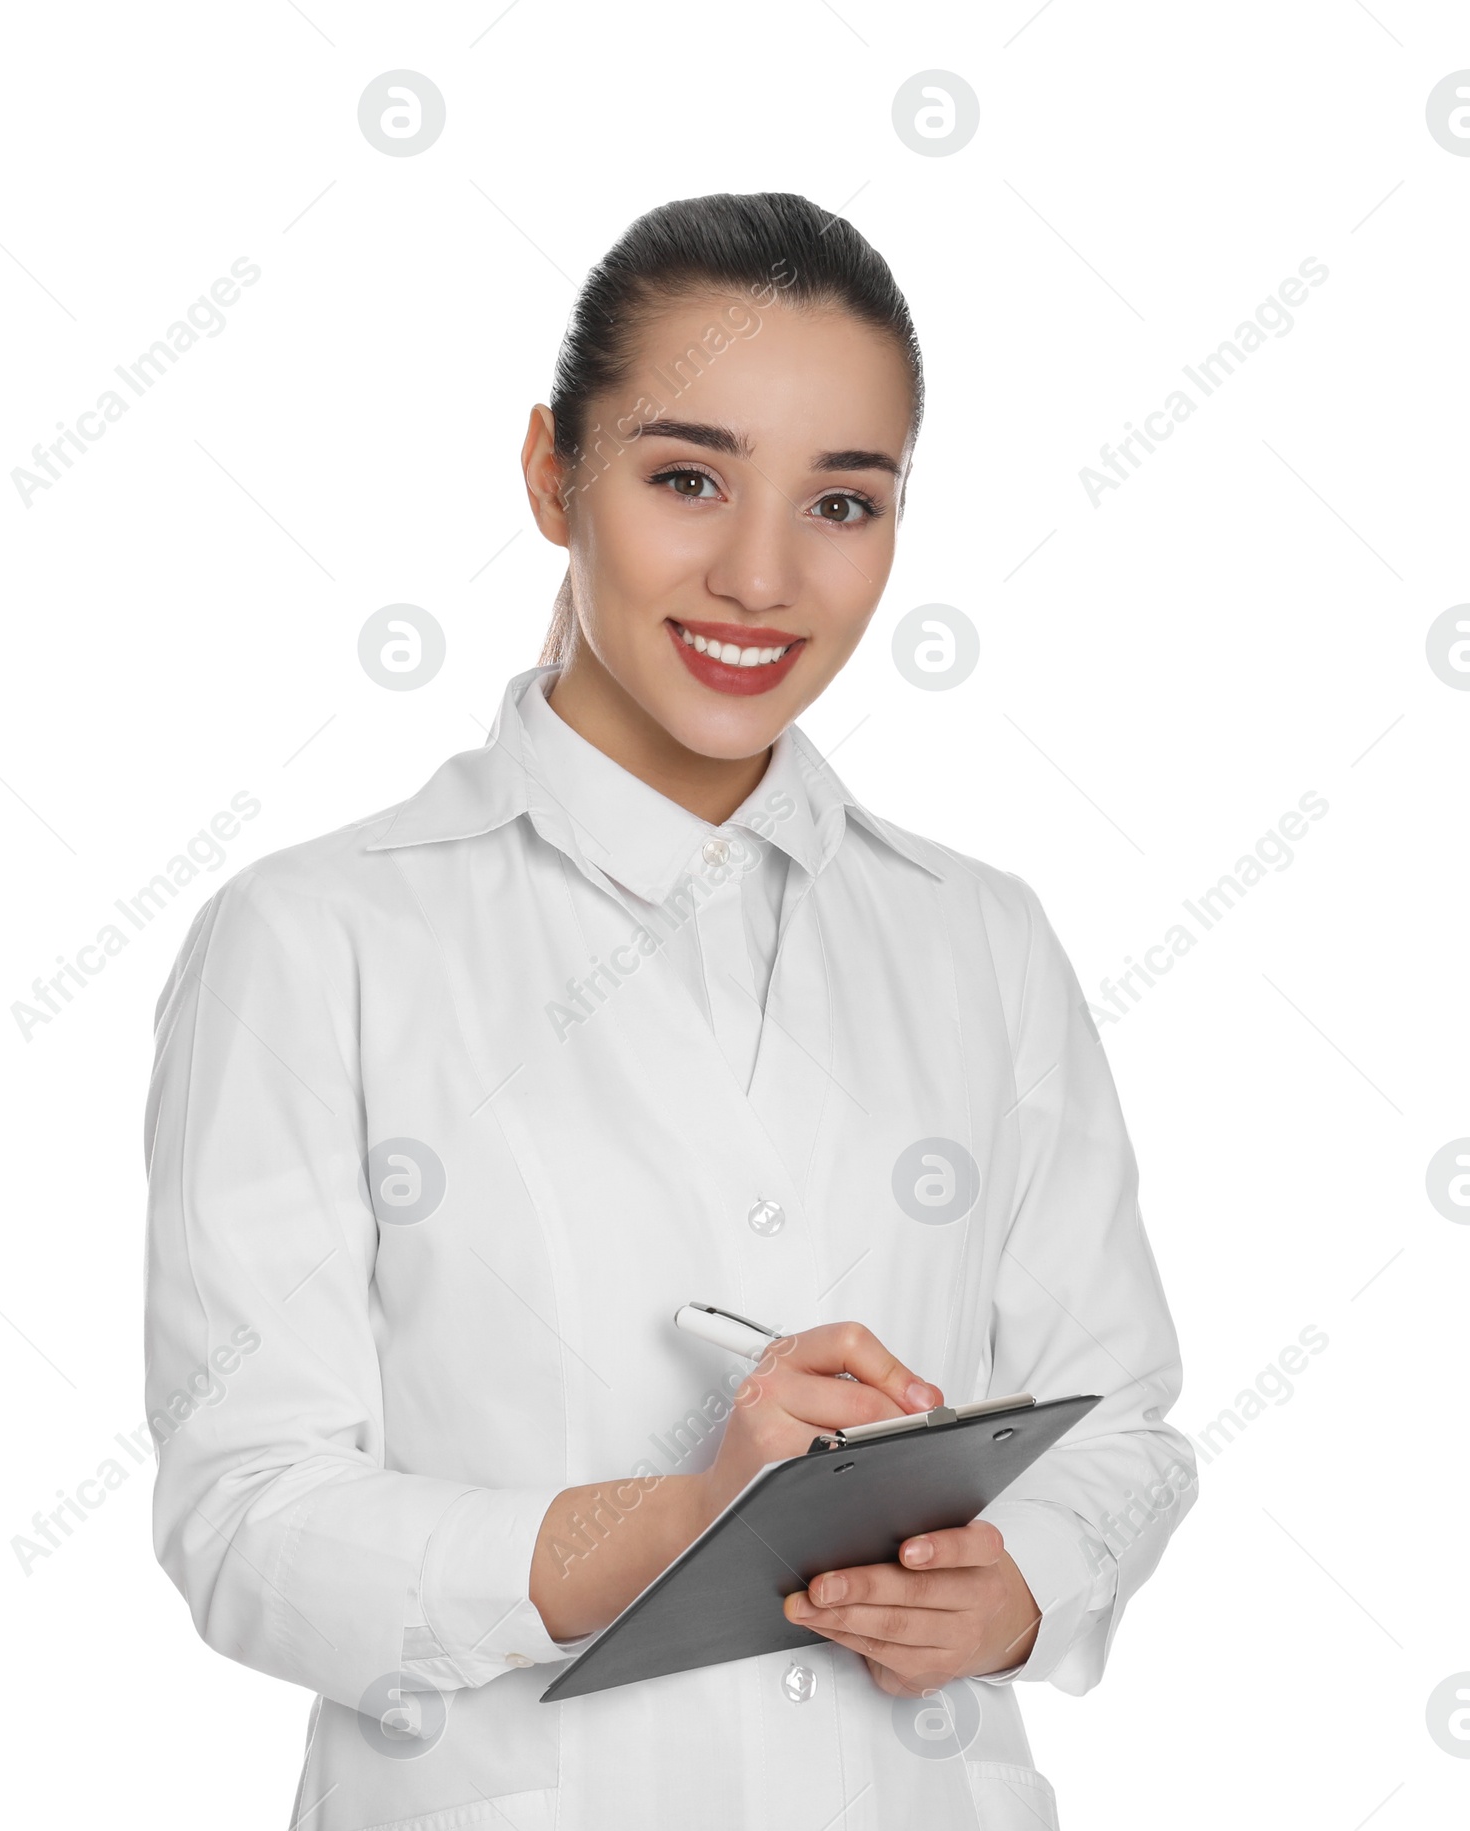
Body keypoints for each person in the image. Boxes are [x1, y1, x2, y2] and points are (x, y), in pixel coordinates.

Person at [143, 191, 1195, 1831]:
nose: (762, 577)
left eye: (843, 502)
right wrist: (686, 1519)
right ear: (555, 476)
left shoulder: (981, 942)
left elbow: (1119, 1419)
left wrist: (1019, 1591)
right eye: (687, 478)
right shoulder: (315, 939)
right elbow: (249, 1526)